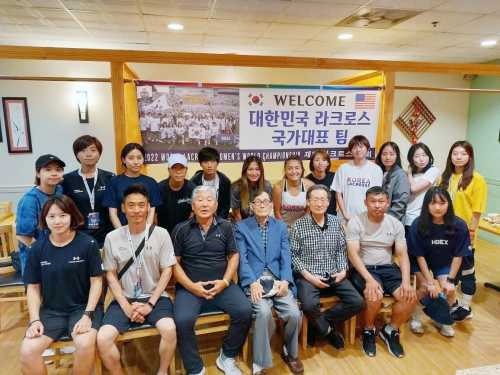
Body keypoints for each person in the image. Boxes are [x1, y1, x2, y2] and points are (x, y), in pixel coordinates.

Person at [171, 186, 253, 375]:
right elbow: (174, 264)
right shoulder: (180, 229)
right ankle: (195, 367)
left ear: (216, 205)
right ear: (192, 205)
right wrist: (191, 287)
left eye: (209, 200)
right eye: (200, 199)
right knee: (182, 321)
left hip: (222, 286)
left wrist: (224, 282)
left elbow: (234, 256)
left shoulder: (226, 226)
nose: (205, 204)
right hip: (190, 289)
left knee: (245, 311)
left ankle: (227, 356)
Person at [97, 184, 177, 375]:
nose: (136, 210)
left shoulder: (161, 234)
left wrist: (150, 303)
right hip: (124, 298)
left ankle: (163, 371)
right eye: (131, 205)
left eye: (141, 205)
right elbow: (110, 274)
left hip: (155, 297)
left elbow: (167, 271)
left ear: (148, 207)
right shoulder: (112, 238)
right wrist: (125, 305)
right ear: (123, 208)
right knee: (103, 338)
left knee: (169, 329)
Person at [20, 195, 103, 375]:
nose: (57, 221)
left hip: (83, 308)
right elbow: (33, 288)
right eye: (51, 216)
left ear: (72, 216)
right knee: (28, 350)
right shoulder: (37, 249)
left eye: (63, 215)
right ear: (45, 219)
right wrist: (34, 320)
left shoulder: (88, 244)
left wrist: (88, 314)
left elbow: (97, 281)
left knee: (84, 343)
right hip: (51, 310)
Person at [236, 189, 303, 375]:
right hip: (255, 279)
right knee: (264, 313)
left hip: (277, 279)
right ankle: (259, 361)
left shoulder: (280, 227)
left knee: (294, 313)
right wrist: (251, 281)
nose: (263, 205)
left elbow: (285, 257)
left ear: (272, 205)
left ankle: (289, 351)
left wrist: (286, 280)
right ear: (251, 206)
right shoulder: (241, 227)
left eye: (266, 202)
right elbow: (242, 258)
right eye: (258, 202)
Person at [290, 185, 364, 351]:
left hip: (334, 273)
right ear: (308, 202)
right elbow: (293, 256)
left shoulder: (335, 222)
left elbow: (340, 250)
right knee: (308, 305)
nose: (319, 203)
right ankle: (329, 332)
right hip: (308, 275)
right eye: (315, 199)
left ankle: (317, 325)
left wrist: (343, 271)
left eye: (323, 199)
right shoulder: (297, 226)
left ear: (329, 202)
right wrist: (309, 277)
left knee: (357, 302)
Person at [346, 186, 417, 358]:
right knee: (374, 295)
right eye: (373, 201)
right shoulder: (356, 222)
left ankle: (390, 330)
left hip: (388, 267)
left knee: (409, 297)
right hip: (364, 269)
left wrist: (407, 282)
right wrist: (369, 279)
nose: (377, 205)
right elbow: (353, 254)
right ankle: (369, 330)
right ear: (366, 203)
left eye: (381, 201)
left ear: (387, 204)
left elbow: (402, 254)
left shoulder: (395, 224)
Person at [407, 187, 471, 337]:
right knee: (424, 288)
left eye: (442, 203)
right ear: (426, 205)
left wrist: (450, 281)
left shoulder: (459, 225)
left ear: (448, 204)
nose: (437, 207)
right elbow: (419, 256)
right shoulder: (418, 224)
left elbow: (458, 255)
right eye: (432, 203)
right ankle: (415, 316)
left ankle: (442, 319)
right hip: (421, 262)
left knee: (449, 290)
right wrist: (429, 283)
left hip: (442, 262)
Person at [438, 141, 487, 322]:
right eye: (455, 153)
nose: (458, 157)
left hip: (464, 233)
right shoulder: (445, 177)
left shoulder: (477, 179)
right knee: (449, 270)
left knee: (467, 271)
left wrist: (471, 233)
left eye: (463, 154)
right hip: (444, 232)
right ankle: (455, 302)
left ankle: (466, 307)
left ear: (470, 157)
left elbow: (477, 210)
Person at [62, 135, 116, 247]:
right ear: (77, 154)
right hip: (78, 234)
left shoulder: (109, 177)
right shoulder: (67, 180)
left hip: (106, 233)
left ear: (99, 154)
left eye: (93, 150)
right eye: (83, 150)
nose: (89, 154)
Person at [16, 154, 65, 273]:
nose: (54, 173)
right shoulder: (30, 200)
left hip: (56, 254)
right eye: (48, 170)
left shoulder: (59, 190)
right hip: (36, 259)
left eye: (58, 170)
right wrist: (46, 253)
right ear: (38, 173)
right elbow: (23, 235)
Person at [103, 143, 162, 228]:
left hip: (144, 232)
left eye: (139, 158)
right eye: (131, 158)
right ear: (123, 160)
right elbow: (112, 213)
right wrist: (121, 234)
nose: (136, 162)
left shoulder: (151, 182)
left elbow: (151, 211)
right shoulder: (114, 182)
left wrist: (146, 232)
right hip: (121, 231)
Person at [332, 135, 383, 225]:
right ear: (351, 150)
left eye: (361, 146)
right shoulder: (343, 168)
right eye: (354, 147)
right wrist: (345, 215)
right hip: (345, 218)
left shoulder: (376, 170)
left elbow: (376, 195)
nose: (358, 150)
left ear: (367, 148)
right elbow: (338, 194)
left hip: (367, 219)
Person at [156, 153, 197, 234]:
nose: (178, 171)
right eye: (174, 168)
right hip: (163, 233)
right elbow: (154, 215)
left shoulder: (193, 189)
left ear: (186, 169)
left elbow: (193, 213)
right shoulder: (159, 188)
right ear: (169, 170)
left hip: (186, 233)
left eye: (182, 168)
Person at [405, 143, 440, 234]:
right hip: (406, 217)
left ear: (429, 156)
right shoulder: (411, 175)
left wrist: (409, 173)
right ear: (411, 159)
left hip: (422, 218)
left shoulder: (433, 171)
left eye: (424, 155)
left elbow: (414, 188)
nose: (421, 159)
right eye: (416, 156)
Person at [190, 147, 231, 220]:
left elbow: (225, 207)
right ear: (200, 164)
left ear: (217, 163)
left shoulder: (225, 182)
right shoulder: (194, 182)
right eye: (205, 162)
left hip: (219, 220)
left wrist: (219, 223)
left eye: (212, 161)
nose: (209, 165)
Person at [273, 155, 314, 227]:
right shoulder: (278, 187)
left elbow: (309, 210)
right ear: (285, 171)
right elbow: (277, 212)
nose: (294, 172)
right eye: (290, 168)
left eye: (297, 168)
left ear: (302, 169)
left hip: (302, 226)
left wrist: (299, 227)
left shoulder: (309, 186)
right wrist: (284, 229)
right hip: (282, 226)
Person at [375, 141, 410, 223]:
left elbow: (400, 202)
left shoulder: (401, 175)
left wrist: (387, 221)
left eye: (391, 154)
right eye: (384, 154)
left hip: (391, 222)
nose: (387, 157)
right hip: (375, 220)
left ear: (397, 156)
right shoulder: (377, 172)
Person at [231, 155, 272, 222]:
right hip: (242, 223)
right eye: (250, 169)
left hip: (261, 222)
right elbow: (237, 215)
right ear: (245, 171)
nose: (254, 173)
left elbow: (268, 210)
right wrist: (244, 231)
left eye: (257, 169)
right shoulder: (236, 189)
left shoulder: (266, 186)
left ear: (261, 171)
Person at [305, 149, 337, 215]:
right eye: (317, 160)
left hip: (332, 216)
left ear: (328, 163)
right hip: (312, 217)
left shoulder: (334, 177)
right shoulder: (307, 180)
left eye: (324, 160)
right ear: (312, 163)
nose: (320, 163)